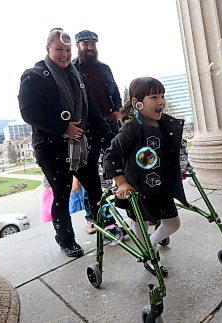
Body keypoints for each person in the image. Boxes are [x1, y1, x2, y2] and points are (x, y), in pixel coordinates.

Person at [18, 28, 110, 258]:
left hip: (80, 142)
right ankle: (66, 240)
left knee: (95, 188)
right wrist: (63, 128)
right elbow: (28, 112)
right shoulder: (34, 75)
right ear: (48, 49)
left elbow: (93, 109)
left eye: (67, 50)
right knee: (62, 192)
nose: (64, 54)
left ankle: (106, 226)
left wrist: (109, 134)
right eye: (59, 49)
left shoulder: (79, 76)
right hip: (51, 146)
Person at [104, 77, 188, 276]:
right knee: (140, 228)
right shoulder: (132, 128)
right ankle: (148, 255)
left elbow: (164, 157)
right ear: (137, 103)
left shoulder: (165, 126)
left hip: (161, 188)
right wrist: (122, 183)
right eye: (154, 97)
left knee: (173, 223)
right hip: (137, 191)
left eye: (162, 96)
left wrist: (175, 172)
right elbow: (111, 156)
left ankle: (151, 244)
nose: (161, 101)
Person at [72, 29, 123, 234]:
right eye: (86, 44)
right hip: (88, 129)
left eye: (93, 44)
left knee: (122, 166)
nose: (90, 47)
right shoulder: (72, 69)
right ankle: (93, 217)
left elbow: (116, 92)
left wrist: (117, 111)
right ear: (78, 46)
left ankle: (135, 208)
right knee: (90, 175)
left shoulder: (105, 68)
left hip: (110, 125)